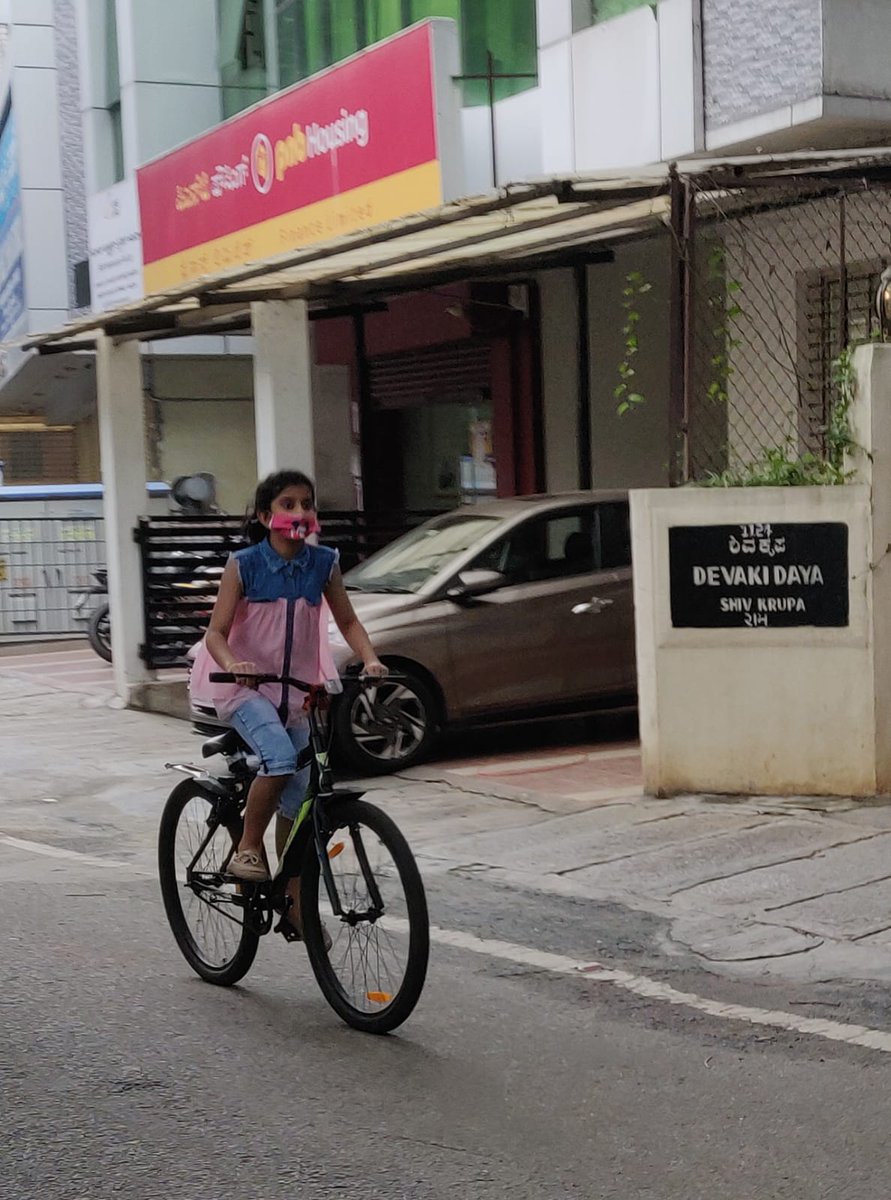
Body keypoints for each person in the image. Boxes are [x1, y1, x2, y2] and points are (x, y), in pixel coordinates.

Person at [189, 470, 387, 902]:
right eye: (288, 504)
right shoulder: (244, 565)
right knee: (278, 758)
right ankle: (247, 849)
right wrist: (234, 664)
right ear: (265, 515)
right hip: (244, 690)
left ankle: (292, 902)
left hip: (297, 694)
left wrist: (370, 659)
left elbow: (348, 621)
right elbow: (216, 633)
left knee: (300, 799)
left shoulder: (324, 563)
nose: (301, 512)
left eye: (307, 504)